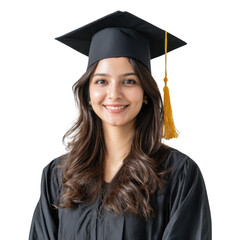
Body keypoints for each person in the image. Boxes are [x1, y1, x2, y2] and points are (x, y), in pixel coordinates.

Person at [29, 11, 211, 240]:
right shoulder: (58, 177)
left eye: (129, 81)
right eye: (101, 81)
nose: (114, 94)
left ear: (145, 92)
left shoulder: (179, 174)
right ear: (87, 93)